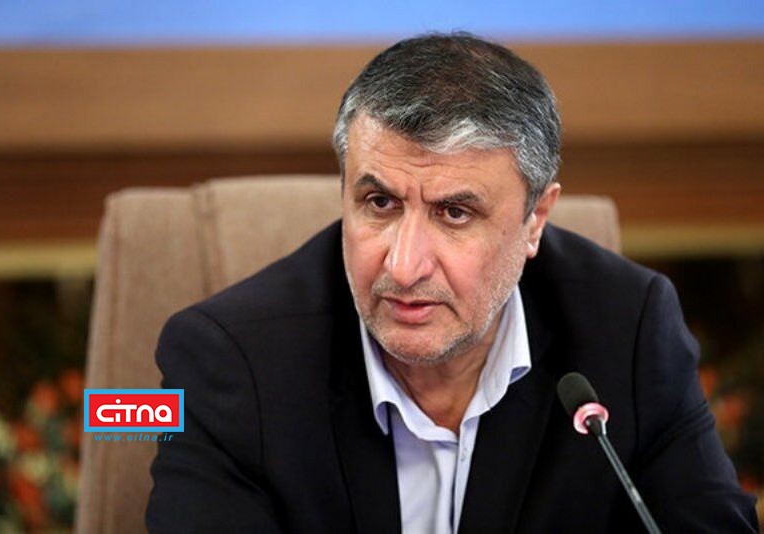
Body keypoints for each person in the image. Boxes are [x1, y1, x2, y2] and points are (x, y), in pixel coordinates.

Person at [146, 33, 758, 533]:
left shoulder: (630, 329)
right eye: (380, 203)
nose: (404, 266)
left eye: (455, 213)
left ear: (534, 221)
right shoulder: (230, 363)